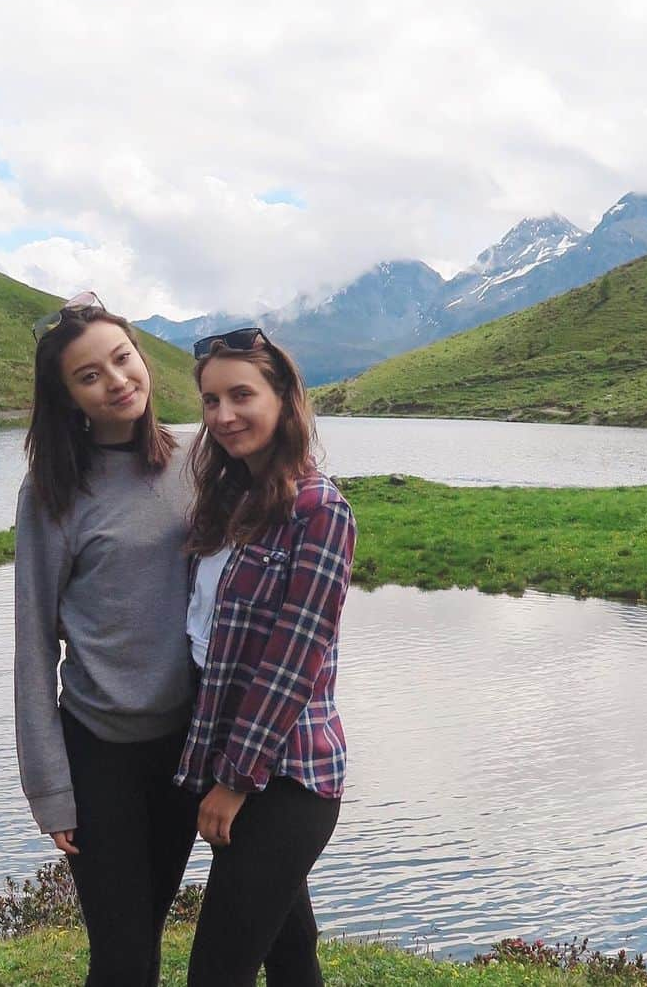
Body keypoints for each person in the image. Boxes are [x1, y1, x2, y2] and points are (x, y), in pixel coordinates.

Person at [13, 292, 200, 987]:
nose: (116, 380)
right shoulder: (51, 493)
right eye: (89, 375)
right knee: (122, 959)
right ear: (67, 398)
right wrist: (50, 789)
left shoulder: (196, 462)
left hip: (186, 746)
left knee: (146, 933)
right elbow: (32, 646)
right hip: (98, 752)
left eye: (123, 358)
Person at [174, 326, 357, 987]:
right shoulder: (228, 502)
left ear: (284, 398)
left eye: (241, 395)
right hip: (239, 766)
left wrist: (232, 783)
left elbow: (292, 663)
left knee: (216, 973)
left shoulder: (319, 510)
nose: (223, 416)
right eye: (211, 400)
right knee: (290, 955)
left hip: (285, 780)